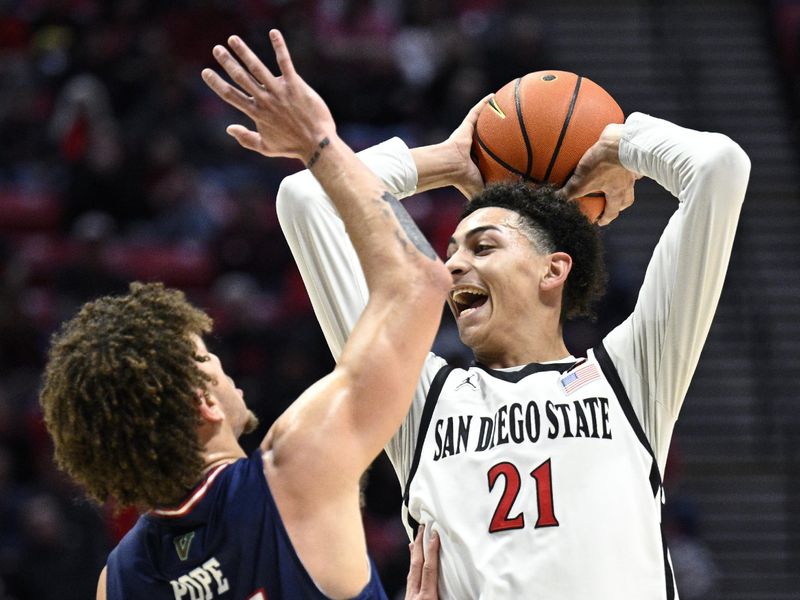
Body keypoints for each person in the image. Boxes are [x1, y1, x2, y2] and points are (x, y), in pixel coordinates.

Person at [271, 60, 752, 597]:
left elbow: (718, 167)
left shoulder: (633, 379)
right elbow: (306, 199)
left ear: (554, 269)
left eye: (483, 247)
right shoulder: (418, 401)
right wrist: (445, 161)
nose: (451, 266)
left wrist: (617, 145)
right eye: (450, 251)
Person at [39, 30, 450, 600]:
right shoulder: (292, 471)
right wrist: (319, 143)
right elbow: (420, 282)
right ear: (201, 402)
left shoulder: (123, 580)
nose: (222, 366)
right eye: (206, 357)